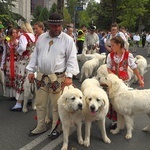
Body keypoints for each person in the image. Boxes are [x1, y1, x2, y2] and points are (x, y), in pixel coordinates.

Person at [26, 12, 79, 139]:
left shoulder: (68, 40)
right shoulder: (42, 38)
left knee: (57, 105)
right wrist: (30, 71)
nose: (57, 28)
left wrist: (69, 76)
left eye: (59, 26)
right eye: (54, 26)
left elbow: (72, 58)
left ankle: (56, 127)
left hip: (58, 78)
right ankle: (41, 125)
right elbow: (35, 55)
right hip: (41, 76)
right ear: (49, 25)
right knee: (40, 103)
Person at [106, 36, 144, 129]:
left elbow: (134, 67)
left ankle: (126, 121)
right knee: (114, 102)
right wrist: (113, 77)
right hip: (114, 83)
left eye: (113, 45)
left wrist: (139, 79)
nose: (111, 47)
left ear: (119, 45)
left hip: (124, 82)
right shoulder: (110, 55)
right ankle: (116, 121)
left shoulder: (128, 55)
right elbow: (108, 68)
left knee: (125, 103)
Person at [10, 22, 35, 111]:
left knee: (21, 80)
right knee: (28, 81)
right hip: (30, 60)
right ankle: (29, 98)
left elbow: (23, 47)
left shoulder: (23, 36)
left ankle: (19, 102)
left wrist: (17, 51)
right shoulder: (32, 36)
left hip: (23, 61)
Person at [5, 27, 18, 98]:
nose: (15, 34)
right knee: (9, 76)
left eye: (16, 32)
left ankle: (16, 93)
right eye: (13, 32)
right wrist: (2, 64)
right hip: (9, 61)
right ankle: (10, 94)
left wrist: (17, 45)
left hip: (16, 61)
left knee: (16, 76)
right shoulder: (7, 42)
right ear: (10, 34)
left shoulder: (18, 41)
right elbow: (4, 53)